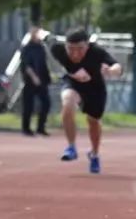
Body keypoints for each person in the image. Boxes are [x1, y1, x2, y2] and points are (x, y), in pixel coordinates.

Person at [50, 29, 123, 174]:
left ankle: (94, 154)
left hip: (95, 89)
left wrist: (110, 71)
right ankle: (71, 147)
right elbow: (45, 38)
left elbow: (117, 67)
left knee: (93, 122)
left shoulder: (97, 52)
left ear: (87, 46)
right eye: (71, 49)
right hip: (73, 83)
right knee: (68, 102)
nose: (75, 54)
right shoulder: (57, 50)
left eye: (80, 50)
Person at [19, 26, 51, 137]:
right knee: (28, 105)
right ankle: (26, 128)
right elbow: (26, 65)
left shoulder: (41, 48)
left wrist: (47, 77)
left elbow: (44, 64)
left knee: (46, 103)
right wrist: (34, 77)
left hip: (42, 80)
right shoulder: (27, 48)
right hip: (30, 80)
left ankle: (40, 127)